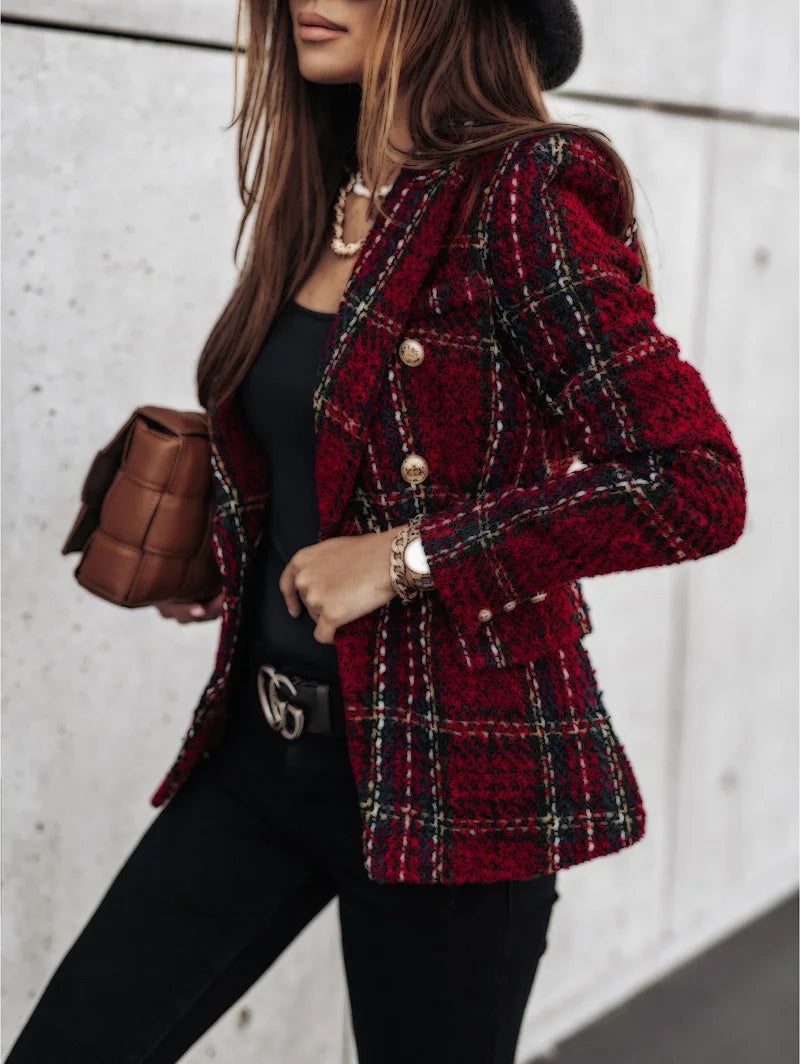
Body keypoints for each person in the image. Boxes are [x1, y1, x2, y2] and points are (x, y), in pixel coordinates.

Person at [6, 1, 748, 1061]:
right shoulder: (329, 191)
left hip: (451, 777)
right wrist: (240, 546)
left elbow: (694, 483)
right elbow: (333, 441)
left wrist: (406, 559)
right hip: (262, 754)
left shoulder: (522, 193)